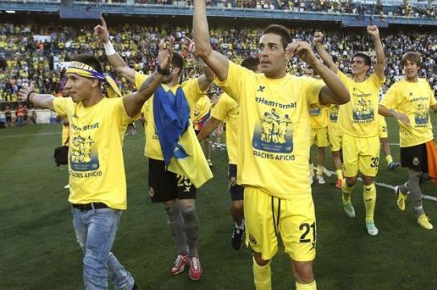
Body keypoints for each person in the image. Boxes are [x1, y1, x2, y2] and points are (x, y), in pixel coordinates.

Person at [193, 0, 349, 290]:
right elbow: (204, 50)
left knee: (304, 270)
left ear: (287, 53)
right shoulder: (247, 82)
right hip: (258, 191)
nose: (263, 52)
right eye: (261, 46)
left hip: (296, 193)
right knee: (261, 259)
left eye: (271, 47)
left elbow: (343, 95)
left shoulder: (303, 86)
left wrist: (316, 63)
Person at [19, 50, 171, 289]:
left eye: (74, 79)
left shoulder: (114, 109)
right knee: (96, 253)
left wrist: (160, 71)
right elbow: (47, 100)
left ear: (93, 82)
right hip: (77, 202)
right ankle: (125, 283)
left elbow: (141, 95)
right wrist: (30, 94)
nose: (67, 86)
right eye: (67, 79)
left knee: (93, 265)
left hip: (104, 204)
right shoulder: (71, 106)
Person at [95, 18, 213, 281]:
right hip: (157, 160)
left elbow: (211, 76)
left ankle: (194, 253)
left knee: (188, 209)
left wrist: (201, 52)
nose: (164, 67)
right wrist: (106, 42)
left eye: (169, 65)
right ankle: (182, 252)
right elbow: (122, 68)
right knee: (170, 209)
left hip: (182, 159)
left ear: (179, 70)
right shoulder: (149, 87)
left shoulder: (188, 89)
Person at [314, 27, 386, 235]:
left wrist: (376, 38)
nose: (353, 65)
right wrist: (319, 44)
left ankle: (370, 218)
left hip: (371, 139)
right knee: (352, 180)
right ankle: (346, 198)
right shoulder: (346, 82)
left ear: (366, 67)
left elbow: (381, 61)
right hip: (351, 139)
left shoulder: (374, 82)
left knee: (369, 180)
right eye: (352, 62)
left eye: (358, 62)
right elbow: (330, 64)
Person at [197, 56, 261, 251]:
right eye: (258, 72)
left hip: (261, 160)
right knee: (238, 206)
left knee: (260, 205)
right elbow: (214, 122)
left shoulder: (265, 93)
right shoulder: (227, 98)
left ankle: (258, 232)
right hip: (238, 161)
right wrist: (195, 140)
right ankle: (239, 225)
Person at [378, 52, 437, 230]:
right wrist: (394, 112)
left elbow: (433, 106)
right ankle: (420, 214)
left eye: (412, 64)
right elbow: (380, 107)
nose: (409, 67)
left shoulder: (424, 84)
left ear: (418, 66)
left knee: (430, 173)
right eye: (406, 64)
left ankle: (402, 189)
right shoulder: (398, 87)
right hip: (411, 139)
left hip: (427, 137)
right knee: (415, 176)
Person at [313, 32, 344, 189]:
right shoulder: (321, 87)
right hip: (330, 127)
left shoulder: (344, 85)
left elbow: (332, 66)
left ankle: (344, 175)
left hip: (345, 128)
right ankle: (340, 178)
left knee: (343, 155)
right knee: (335, 154)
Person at [305, 66, 330, 185]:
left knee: (321, 150)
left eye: (310, 73)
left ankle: (319, 174)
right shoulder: (302, 87)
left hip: (321, 125)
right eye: (307, 73)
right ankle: (310, 173)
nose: (308, 75)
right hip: (308, 125)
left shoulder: (320, 85)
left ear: (315, 75)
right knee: (306, 151)